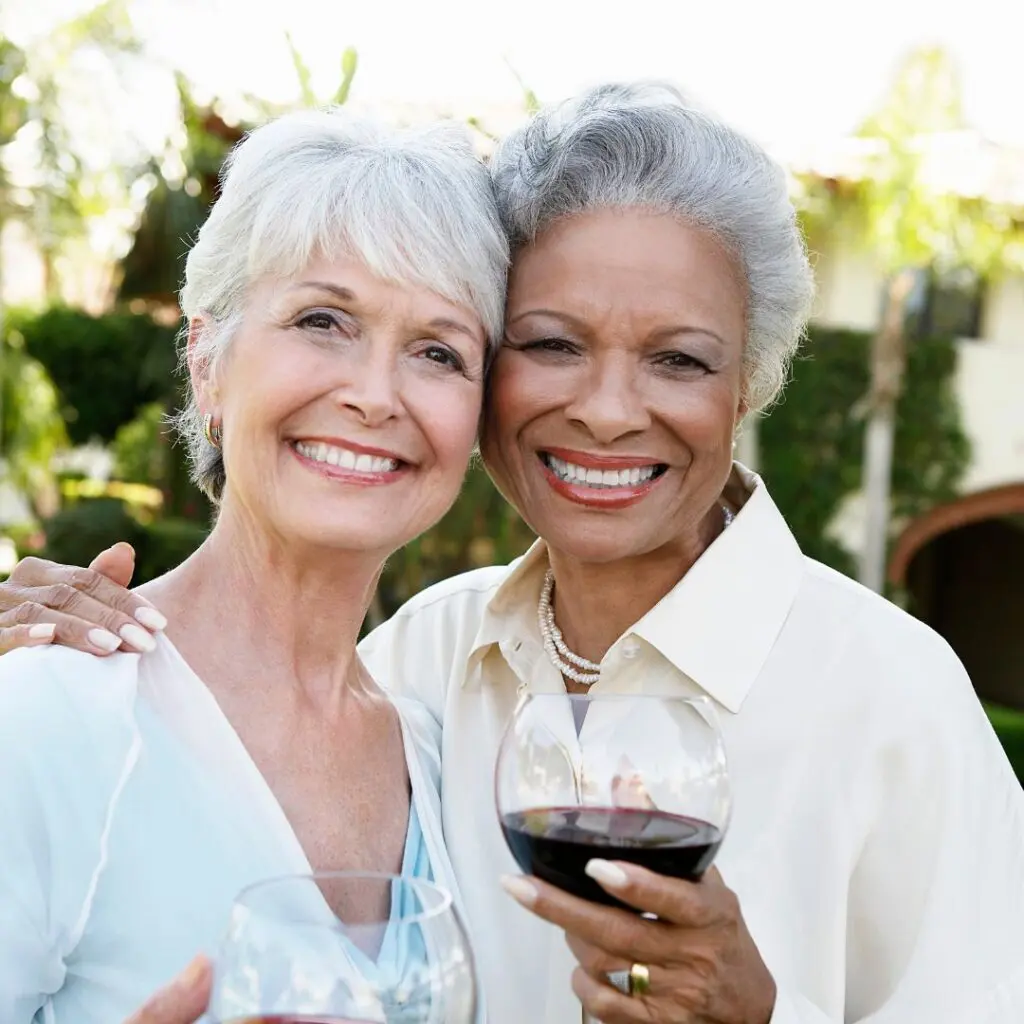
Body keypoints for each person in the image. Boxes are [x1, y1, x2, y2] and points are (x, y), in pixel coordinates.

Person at [3, 83, 1024, 1024]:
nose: (608, 411)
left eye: (677, 358)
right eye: (551, 343)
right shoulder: (429, 666)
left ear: (747, 388)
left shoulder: (894, 701)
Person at [0, 106, 509, 1022]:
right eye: (323, 320)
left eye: (438, 351)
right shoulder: (48, 710)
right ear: (207, 363)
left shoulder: (435, 756)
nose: (373, 394)